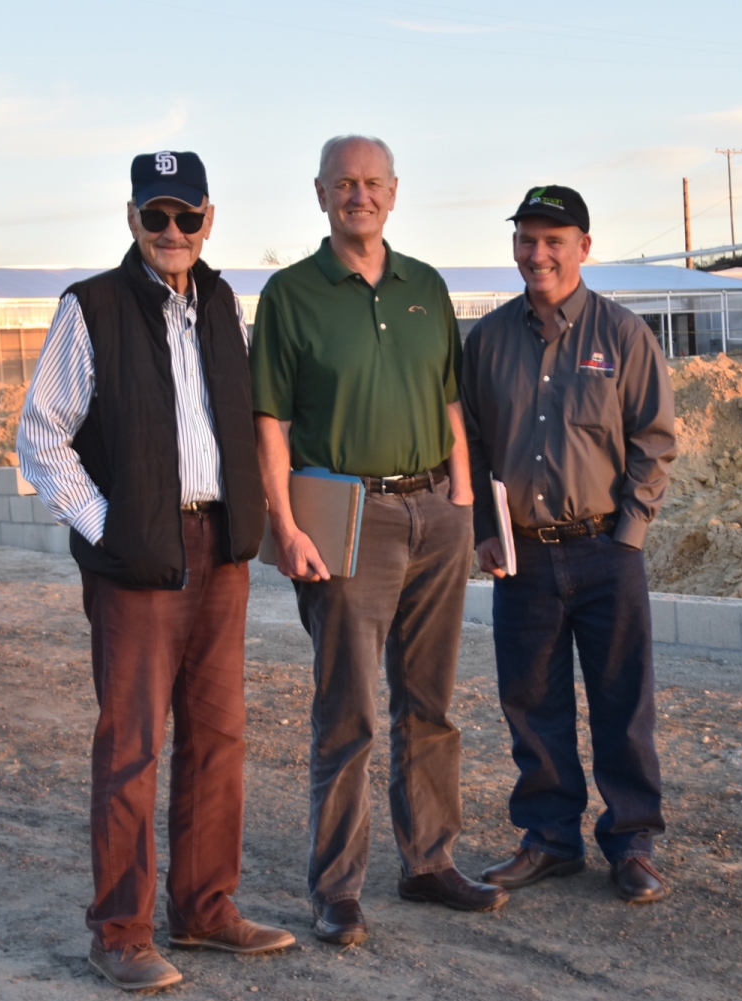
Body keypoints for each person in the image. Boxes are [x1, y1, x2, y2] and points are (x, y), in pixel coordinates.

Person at [18, 151, 294, 992]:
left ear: (210, 218)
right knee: (132, 746)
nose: (172, 232)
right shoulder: (91, 306)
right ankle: (120, 931)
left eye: (187, 216)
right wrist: (114, 530)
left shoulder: (220, 302)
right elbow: (41, 435)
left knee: (218, 739)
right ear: (132, 219)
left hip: (220, 553)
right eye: (156, 217)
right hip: (138, 562)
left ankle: (206, 907)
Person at [251, 134, 509, 946]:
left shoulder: (425, 287)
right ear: (320, 193)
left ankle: (428, 861)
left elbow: (450, 407)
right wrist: (286, 527)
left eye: (371, 183)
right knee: (348, 710)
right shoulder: (291, 295)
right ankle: (338, 888)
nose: (358, 196)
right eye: (343, 184)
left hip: (434, 509)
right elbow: (271, 422)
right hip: (345, 519)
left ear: (393, 192)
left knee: (429, 703)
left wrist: (463, 502)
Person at [459, 184, 677, 903]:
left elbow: (654, 440)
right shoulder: (486, 341)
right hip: (521, 555)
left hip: (604, 549)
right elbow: (475, 444)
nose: (537, 252)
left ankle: (632, 841)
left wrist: (628, 534)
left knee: (621, 698)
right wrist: (486, 532)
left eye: (554, 240)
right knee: (531, 701)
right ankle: (550, 838)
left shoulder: (623, 336)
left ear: (584, 247)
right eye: (526, 238)